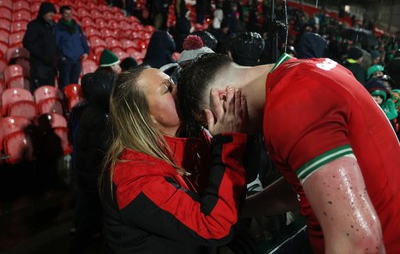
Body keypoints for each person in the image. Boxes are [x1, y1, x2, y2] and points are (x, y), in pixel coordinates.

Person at [178, 52, 400, 254]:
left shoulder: (292, 106)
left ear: (223, 100)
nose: (215, 130)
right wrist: (242, 208)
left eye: (209, 122)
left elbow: (359, 244)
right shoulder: (306, 70)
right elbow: (311, 185)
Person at [100, 65, 249, 253]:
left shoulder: (191, 136)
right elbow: (214, 226)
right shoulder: (132, 178)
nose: (179, 90)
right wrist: (229, 141)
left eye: (174, 83)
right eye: (167, 89)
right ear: (147, 117)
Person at [70, 70, 114, 254]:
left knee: (88, 217)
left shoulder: (91, 112)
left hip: (88, 177)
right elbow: (102, 152)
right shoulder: (100, 118)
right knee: (91, 221)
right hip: (95, 179)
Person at [23, 2, 58, 92]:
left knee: (50, 92)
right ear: (43, 12)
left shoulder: (53, 26)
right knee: (38, 93)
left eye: (53, 12)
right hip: (39, 66)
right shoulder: (34, 25)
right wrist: (42, 55)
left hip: (51, 67)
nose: (52, 14)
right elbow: (26, 42)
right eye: (49, 11)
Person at [55, 5, 90, 91]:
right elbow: (56, 44)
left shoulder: (76, 26)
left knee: (75, 85)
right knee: (65, 85)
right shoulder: (58, 28)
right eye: (66, 14)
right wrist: (61, 56)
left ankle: (74, 102)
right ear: (62, 15)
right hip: (65, 61)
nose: (69, 15)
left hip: (77, 60)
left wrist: (86, 51)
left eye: (70, 13)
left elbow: (83, 39)